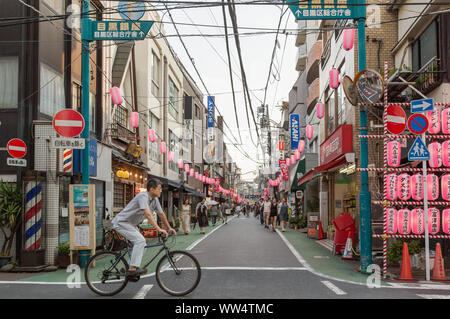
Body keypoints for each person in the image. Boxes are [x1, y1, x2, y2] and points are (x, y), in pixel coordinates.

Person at [112, 178, 176, 277]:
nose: (161, 190)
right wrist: (159, 229)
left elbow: (162, 214)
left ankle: (127, 267)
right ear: (151, 189)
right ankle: (132, 269)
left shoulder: (155, 200)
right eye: (159, 188)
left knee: (143, 245)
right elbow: (148, 214)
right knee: (140, 241)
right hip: (122, 223)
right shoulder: (143, 196)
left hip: (131, 225)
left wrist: (169, 227)